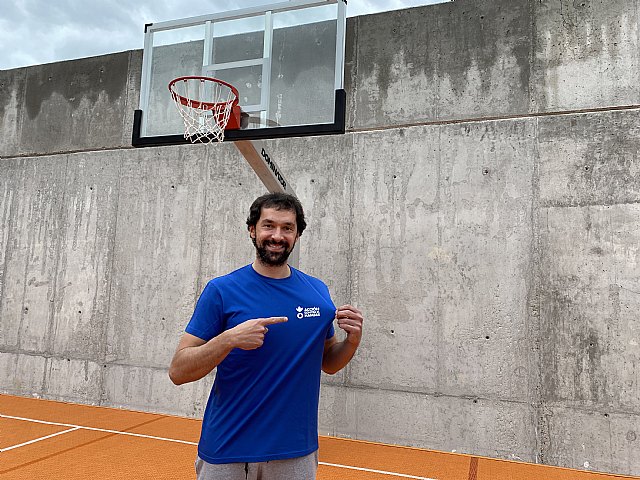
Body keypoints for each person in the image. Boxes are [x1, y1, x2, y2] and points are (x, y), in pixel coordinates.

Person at [169, 192, 364, 480]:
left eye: (287, 228)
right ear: (252, 230)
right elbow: (178, 371)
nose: (277, 235)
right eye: (268, 225)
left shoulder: (318, 293)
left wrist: (353, 341)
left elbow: (329, 363)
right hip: (228, 451)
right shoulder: (222, 290)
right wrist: (229, 339)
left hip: (296, 453)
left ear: (297, 235)